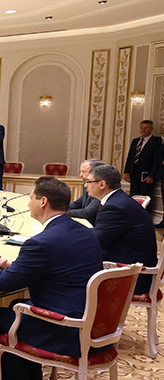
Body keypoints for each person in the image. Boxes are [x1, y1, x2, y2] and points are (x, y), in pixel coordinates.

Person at [0, 176, 102, 380]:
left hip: (65, 329)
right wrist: (10, 264)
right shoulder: (85, 232)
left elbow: (4, 283)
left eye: (31, 198)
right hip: (93, 323)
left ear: (43, 202)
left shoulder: (41, 242)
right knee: (15, 306)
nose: (28, 203)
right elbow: (58, 265)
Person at [86, 164, 158, 294]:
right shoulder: (118, 200)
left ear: (102, 184)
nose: (86, 185)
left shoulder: (115, 207)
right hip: (129, 263)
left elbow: (95, 242)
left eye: (88, 181)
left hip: (133, 276)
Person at [122, 120, 161, 212]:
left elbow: (156, 161)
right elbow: (130, 157)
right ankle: (134, 215)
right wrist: (126, 171)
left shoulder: (155, 142)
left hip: (146, 175)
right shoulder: (135, 141)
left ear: (151, 129)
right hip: (134, 174)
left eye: (146, 128)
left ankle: (146, 216)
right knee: (134, 196)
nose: (143, 130)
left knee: (146, 197)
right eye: (142, 128)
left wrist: (152, 176)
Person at [67, 158, 104, 225]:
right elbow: (77, 204)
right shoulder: (88, 185)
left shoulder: (99, 189)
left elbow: (87, 212)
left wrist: (63, 212)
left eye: (84, 171)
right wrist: (58, 208)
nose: (80, 175)